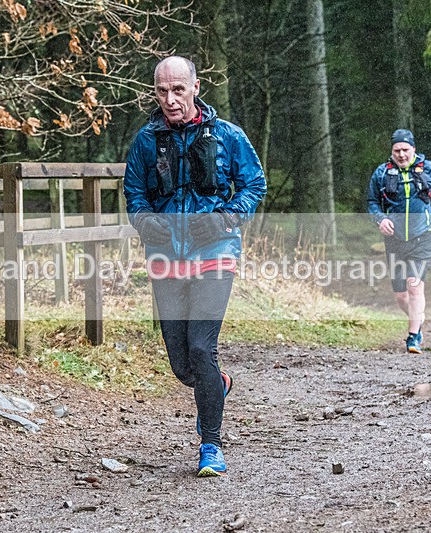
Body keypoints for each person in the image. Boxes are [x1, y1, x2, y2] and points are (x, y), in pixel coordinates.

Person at [123, 56, 266, 477]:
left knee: (203, 348)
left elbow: (254, 182)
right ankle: (215, 385)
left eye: (178, 90)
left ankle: (211, 445)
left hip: (215, 251)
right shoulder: (146, 141)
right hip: (167, 255)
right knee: (183, 364)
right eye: (162, 91)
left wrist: (226, 218)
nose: (170, 99)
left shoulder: (227, 136)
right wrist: (148, 223)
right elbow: (134, 194)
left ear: (196, 87)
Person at [367, 129, 431, 354]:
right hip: (394, 241)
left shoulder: (428, 169)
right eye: (397, 150)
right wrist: (380, 219)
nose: (401, 154)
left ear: (413, 149)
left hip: (422, 237)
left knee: (414, 287)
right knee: (401, 296)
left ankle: (413, 338)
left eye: (405, 150)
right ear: (391, 151)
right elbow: (372, 202)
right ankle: (418, 318)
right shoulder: (382, 173)